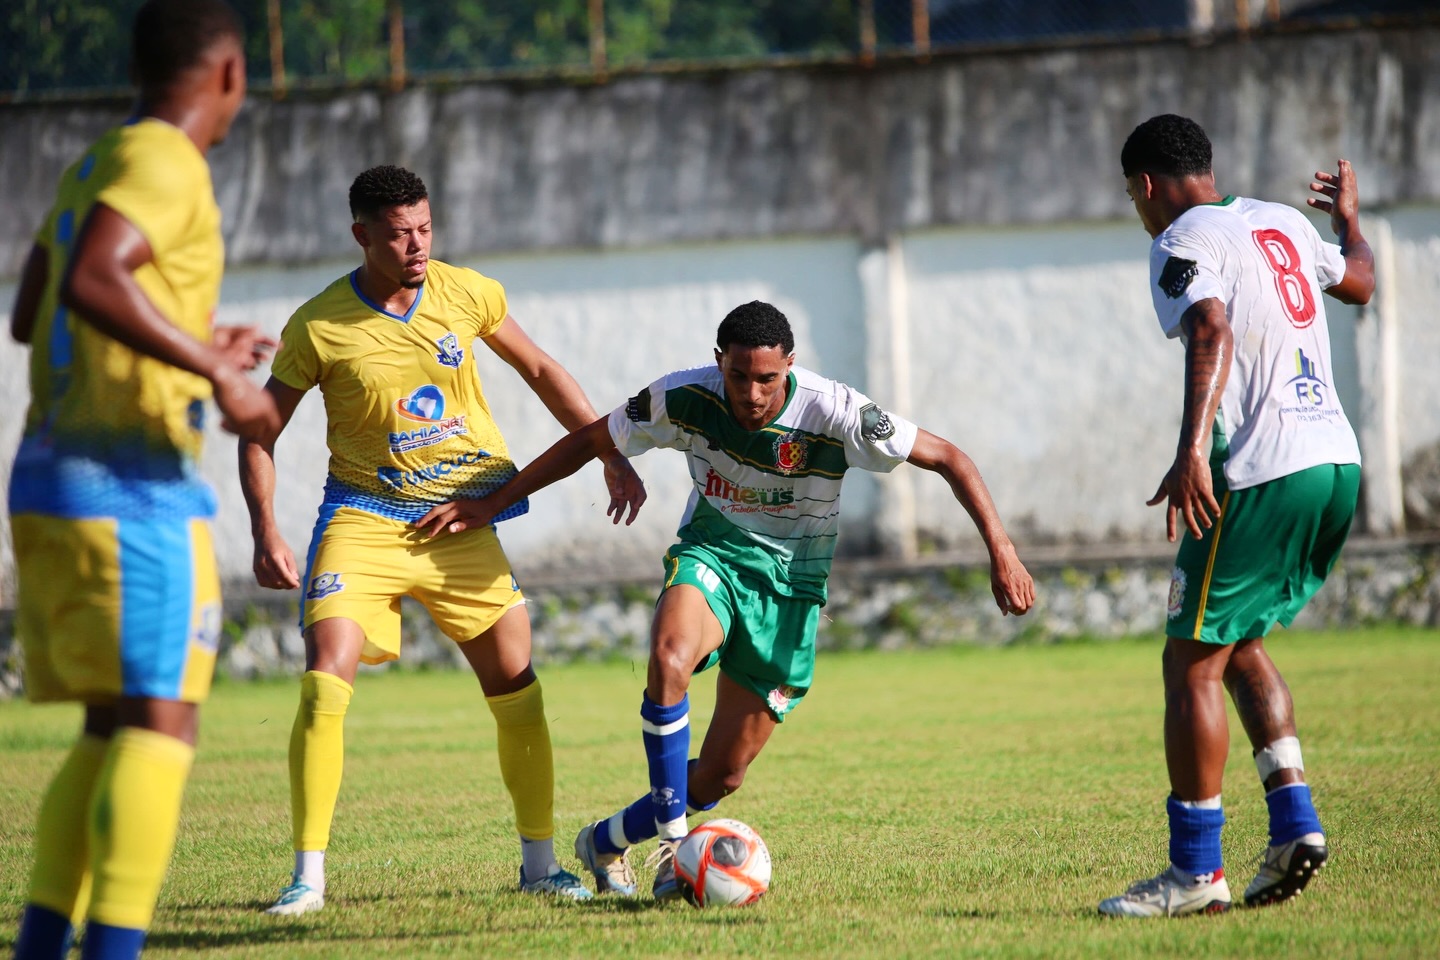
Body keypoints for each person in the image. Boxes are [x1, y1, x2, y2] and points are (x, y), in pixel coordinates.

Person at [414, 300, 1036, 899]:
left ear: (789, 365)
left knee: (720, 776)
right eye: (738, 375)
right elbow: (588, 438)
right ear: (720, 361)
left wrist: (1002, 551)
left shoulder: (837, 411)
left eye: (767, 378)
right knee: (668, 660)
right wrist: (495, 501)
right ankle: (672, 850)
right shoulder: (683, 396)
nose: (752, 393)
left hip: (792, 592)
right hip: (713, 555)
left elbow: (950, 458)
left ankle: (604, 841)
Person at [239, 164, 646, 914]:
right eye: (398, 234)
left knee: (518, 687)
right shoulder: (318, 324)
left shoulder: (468, 292)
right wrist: (265, 530)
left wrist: (610, 453)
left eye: (425, 228)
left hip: (462, 518)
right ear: (362, 235)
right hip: (363, 519)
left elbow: (542, 368)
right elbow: (259, 433)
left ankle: (539, 866)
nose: (417, 245)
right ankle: (307, 880)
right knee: (326, 677)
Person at [7, 2, 281, 958]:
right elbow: (92, 280)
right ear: (231, 74)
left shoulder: (96, 160)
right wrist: (216, 374)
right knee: (163, 724)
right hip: (128, 488)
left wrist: (195, 340)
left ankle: (45, 946)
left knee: (108, 727)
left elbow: (31, 309)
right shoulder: (171, 162)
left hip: (48, 478)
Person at [1098, 115, 1374, 918]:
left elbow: (1209, 328)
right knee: (1238, 641)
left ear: (1147, 185)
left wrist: (1190, 451)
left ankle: (1194, 874)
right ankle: (1294, 824)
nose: (1139, 213)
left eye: (1133, 197)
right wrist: (1348, 223)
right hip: (1335, 462)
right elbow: (1358, 282)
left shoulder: (1182, 238)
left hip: (1260, 468)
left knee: (1189, 663)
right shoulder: (1281, 221)